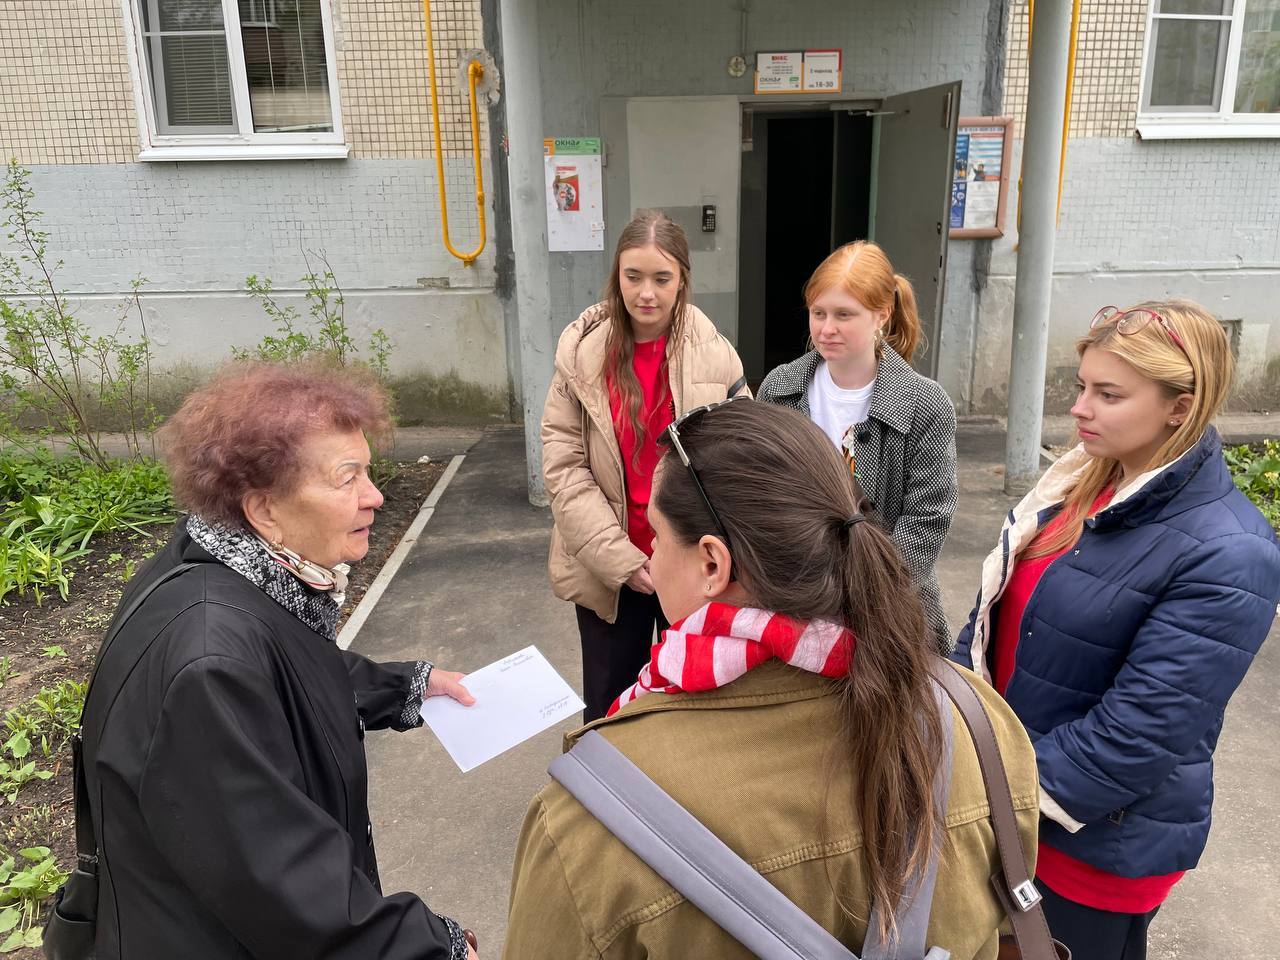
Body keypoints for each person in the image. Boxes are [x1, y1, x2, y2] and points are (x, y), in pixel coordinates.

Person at [507, 399, 1040, 959]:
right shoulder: (980, 724)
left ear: (712, 564)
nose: (650, 555)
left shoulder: (590, 822)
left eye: (656, 536)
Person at [80, 361, 480, 959]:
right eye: (347, 478)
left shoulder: (225, 567)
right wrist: (423, 948)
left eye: (367, 470)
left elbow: (286, 667)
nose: (374, 496)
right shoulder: (210, 661)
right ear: (264, 510)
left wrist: (403, 689)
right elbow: (278, 876)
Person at [952, 300, 1280, 960]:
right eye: (1082, 387)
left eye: (1109, 395)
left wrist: (986, 791)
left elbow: (1139, 735)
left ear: (1180, 407)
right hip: (1008, 806)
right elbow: (988, 623)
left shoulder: (1229, 551)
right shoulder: (1078, 489)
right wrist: (952, 728)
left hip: (1091, 840)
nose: (1079, 409)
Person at [542, 209, 748, 722]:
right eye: (633, 277)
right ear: (617, 276)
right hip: (610, 568)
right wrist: (622, 560)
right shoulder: (581, 356)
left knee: (692, 703)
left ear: (682, 281)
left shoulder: (715, 353)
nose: (646, 293)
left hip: (691, 563)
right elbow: (563, 468)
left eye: (662, 278)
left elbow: (741, 457)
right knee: (611, 708)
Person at [757, 240, 957, 652]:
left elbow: (926, 521)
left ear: (882, 315)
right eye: (818, 313)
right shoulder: (780, 389)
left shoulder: (925, 403)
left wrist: (863, 597)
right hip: (794, 607)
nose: (826, 328)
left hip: (891, 615)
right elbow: (762, 498)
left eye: (844, 315)